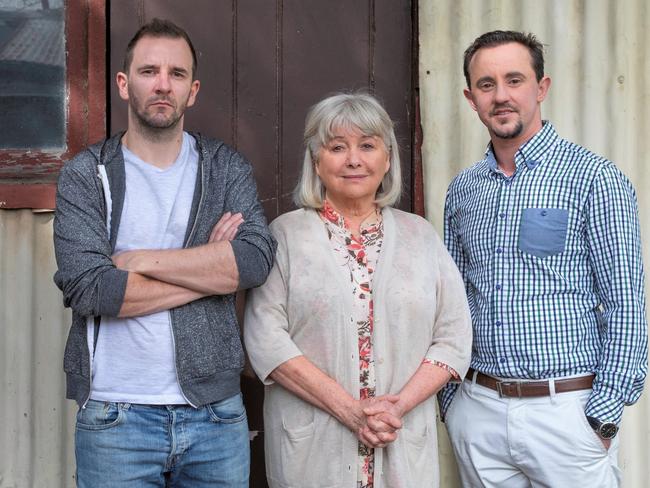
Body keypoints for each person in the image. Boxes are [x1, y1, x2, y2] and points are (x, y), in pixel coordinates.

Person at [52, 18, 275, 487]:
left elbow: (253, 259)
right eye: (149, 70)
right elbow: (92, 289)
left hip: (214, 416)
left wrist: (137, 260)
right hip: (116, 416)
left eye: (176, 74)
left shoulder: (224, 167)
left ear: (192, 90)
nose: (162, 84)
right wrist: (210, 268)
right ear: (123, 83)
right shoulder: (85, 176)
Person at [440, 30, 648, 487]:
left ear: (542, 87)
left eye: (515, 80)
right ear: (470, 97)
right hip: (479, 411)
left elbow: (626, 303)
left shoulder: (593, 178)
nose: (501, 96)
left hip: (566, 413)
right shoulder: (463, 191)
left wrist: (603, 416)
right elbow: (451, 303)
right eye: (486, 84)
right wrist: (453, 403)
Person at [243, 92, 472, 488]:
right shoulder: (285, 235)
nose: (353, 160)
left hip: (398, 437)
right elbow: (266, 341)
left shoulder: (421, 235)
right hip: (313, 448)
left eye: (367, 146)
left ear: (387, 159)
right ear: (316, 160)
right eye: (337, 147)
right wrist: (351, 411)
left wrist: (397, 407)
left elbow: (453, 336)